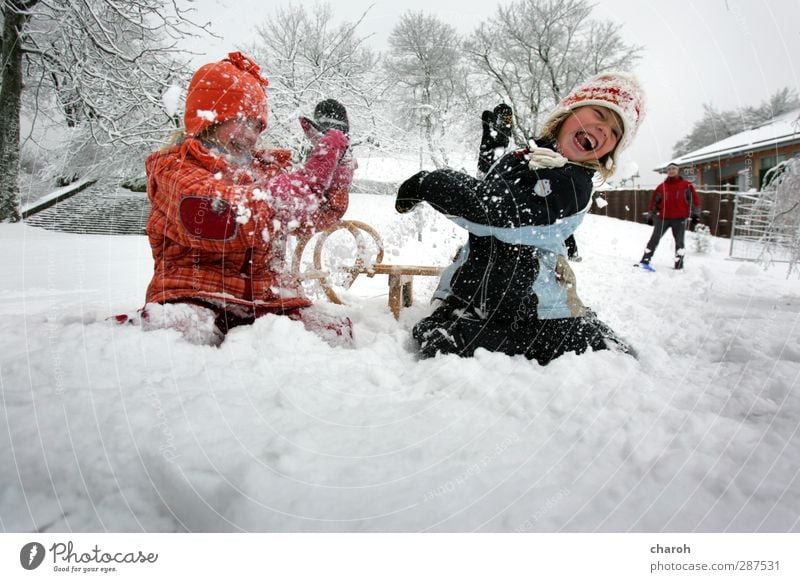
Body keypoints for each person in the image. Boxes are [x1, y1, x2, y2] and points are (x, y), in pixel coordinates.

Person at [395, 72, 645, 365]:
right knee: (438, 332)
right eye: (599, 113)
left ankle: (594, 339)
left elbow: (496, 214)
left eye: (615, 132)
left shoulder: (574, 182)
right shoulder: (527, 159)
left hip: (535, 315)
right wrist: (494, 153)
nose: (604, 129)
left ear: (610, 151)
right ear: (568, 114)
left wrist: (428, 183)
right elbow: (494, 192)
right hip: (484, 298)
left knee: (441, 343)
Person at [142, 52, 354, 346]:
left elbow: (316, 215)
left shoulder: (262, 172)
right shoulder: (176, 169)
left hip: (266, 301)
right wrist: (310, 177)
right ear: (209, 120)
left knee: (334, 334)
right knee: (182, 334)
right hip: (196, 295)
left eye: (257, 126)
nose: (250, 135)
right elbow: (236, 216)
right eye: (241, 121)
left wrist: (336, 165)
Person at [637, 162, 701, 270]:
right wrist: (650, 216)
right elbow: (654, 203)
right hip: (663, 218)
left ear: (678, 171)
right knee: (654, 239)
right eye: (669, 169)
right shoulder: (661, 187)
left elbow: (694, 201)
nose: (671, 171)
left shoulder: (686, 185)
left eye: (674, 169)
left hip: (679, 219)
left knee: (679, 243)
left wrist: (696, 214)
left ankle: (679, 265)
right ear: (667, 172)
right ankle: (645, 260)